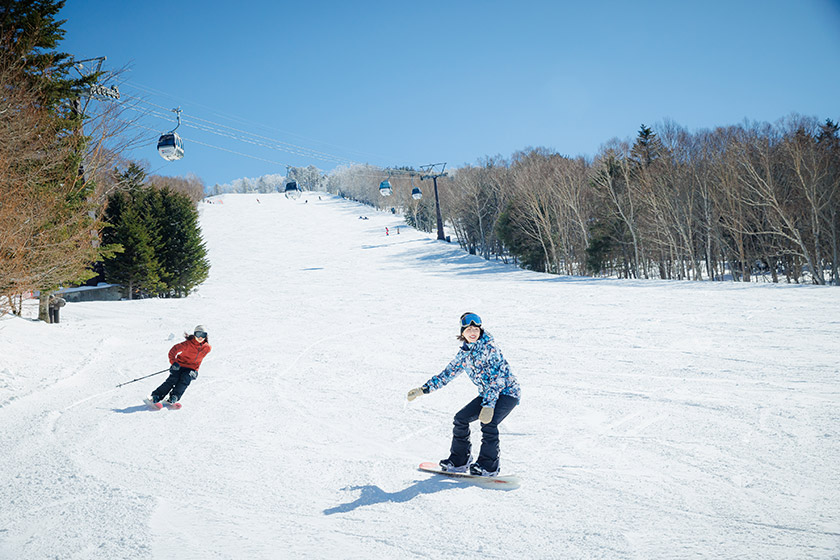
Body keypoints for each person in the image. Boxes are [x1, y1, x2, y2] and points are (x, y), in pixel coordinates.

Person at [407, 313, 520, 476]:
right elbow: (447, 374)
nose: (473, 332)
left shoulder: (489, 348)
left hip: (507, 392)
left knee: (489, 422)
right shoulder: (465, 354)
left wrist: (488, 406)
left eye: (476, 329)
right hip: (487, 394)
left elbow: (496, 379)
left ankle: (489, 466)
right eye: (469, 329)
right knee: (461, 419)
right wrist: (424, 389)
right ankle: (460, 461)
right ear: (462, 332)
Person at [148, 325, 212, 405]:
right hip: (179, 365)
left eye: (203, 335)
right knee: (173, 379)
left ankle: (174, 397)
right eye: (198, 334)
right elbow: (173, 350)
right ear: (195, 334)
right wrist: (173, 362)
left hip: (192, 369)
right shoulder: (188, 344)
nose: (200, 337)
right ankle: (156, 395)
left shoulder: (207, 348)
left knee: (185, 379)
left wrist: (195, 372)